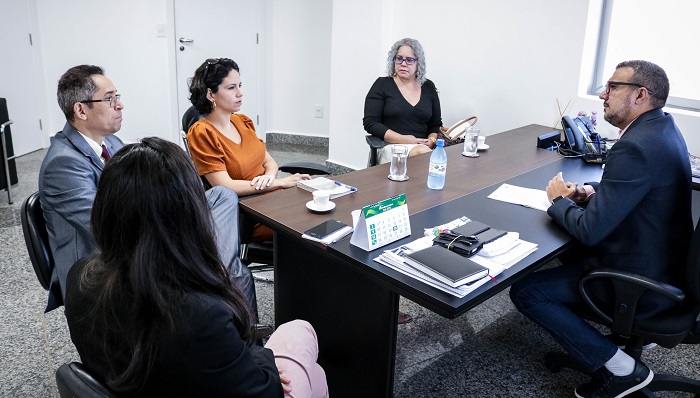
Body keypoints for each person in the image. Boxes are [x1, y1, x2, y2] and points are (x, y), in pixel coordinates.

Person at [64, 137, 328, 397]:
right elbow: (266, 389)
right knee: (301, 332)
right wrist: (263, 357)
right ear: (190, 214)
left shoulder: (78, 276)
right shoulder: (201, 316)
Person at [510, 60, 692, 398]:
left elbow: (591, 231)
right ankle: (623, 345)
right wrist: (593, 191)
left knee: (527, 290)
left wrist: (558, 201)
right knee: (567, 255)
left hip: (639, 282)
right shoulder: (662, 129)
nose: (602, 94)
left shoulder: (634, 146)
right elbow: (642, 188)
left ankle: (622, 370)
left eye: (612, 87)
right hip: (665, 265)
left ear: (640, 94)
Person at [39, 65, 255, 313]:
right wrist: (175, 227)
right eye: (110, 99)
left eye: (117, 97)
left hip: (139, 238)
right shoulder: (63, 163)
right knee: (238, 277)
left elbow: (141, 192)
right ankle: (221, 277)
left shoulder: (110, 141)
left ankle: (217, 268)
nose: (119, 105)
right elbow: (105, 229)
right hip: (104, 270)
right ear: (80, 110)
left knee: (222, 196)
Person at [187, 58, 310, 242]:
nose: (240, 93)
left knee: (324, 210)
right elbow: (225, 187)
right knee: (311, 225)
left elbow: (268, 161)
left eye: (240, 86)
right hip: (248, 212)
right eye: (231, 88)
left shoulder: (242, 121)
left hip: (273, 198)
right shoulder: (202, 133)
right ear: (211, 94)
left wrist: (269, 177)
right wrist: (279, 183)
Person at [363, 37, 442, 164]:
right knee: (425, 156)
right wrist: (405, 139)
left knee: (428, 155)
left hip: (423, 148)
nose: (403, 64)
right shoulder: (382, 84)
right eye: (399, 59)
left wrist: (432, 141)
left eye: (409, 60)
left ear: (419, 63)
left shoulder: (429, 87)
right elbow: (371, 123)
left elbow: (435, 125)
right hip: (390, 146)